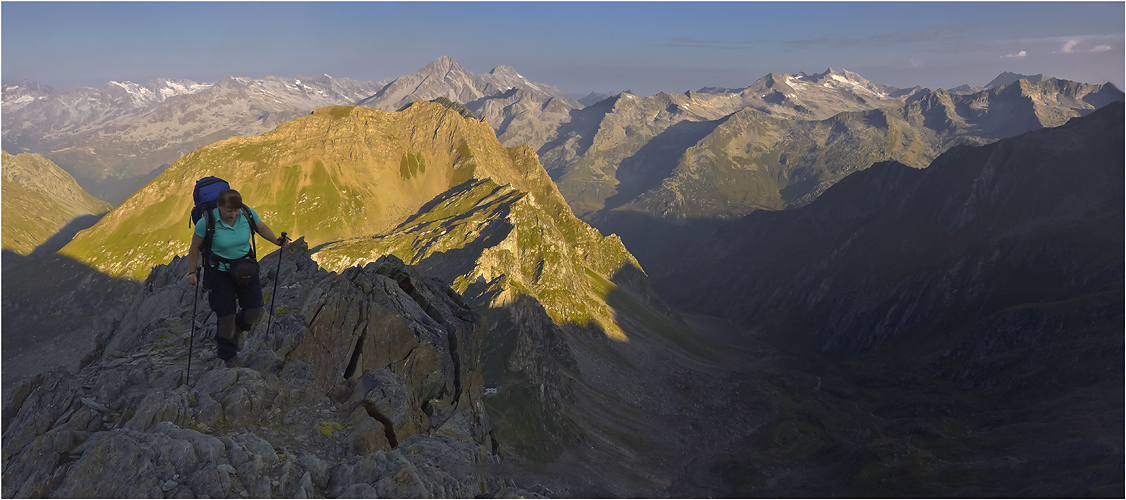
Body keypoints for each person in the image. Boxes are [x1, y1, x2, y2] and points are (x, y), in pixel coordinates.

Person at [186, 189, 288, 367]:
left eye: (236, 210)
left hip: (244, 267)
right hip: (219, 272)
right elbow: (194, 247)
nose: (233, 214)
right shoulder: (207, 221)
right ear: (218, 207)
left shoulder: (247, 213)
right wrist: (191, 272)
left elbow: (261, 227)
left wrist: (276, 241)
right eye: (228, 211)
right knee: (226, 315)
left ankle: (237, 330)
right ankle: (228, 356)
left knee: (255, 309)